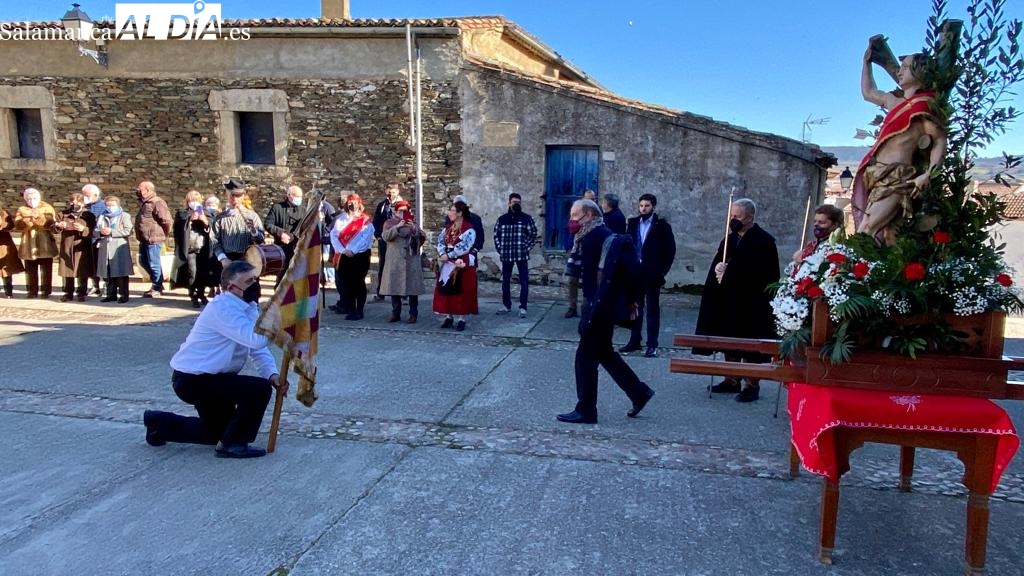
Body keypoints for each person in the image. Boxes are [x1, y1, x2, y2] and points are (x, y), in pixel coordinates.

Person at [142, 261, 288, 459]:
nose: (255, 285)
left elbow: (257, 349)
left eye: (255, 279)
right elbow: (255, 340)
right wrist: (281, 321)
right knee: (258, 390)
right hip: (193, 380)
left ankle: (158, 423)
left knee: (217, 433)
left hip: (217, 378)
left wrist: (271, 374)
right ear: (231, 287)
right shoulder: (222, 308)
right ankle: (233, 444)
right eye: (248, 282)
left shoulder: (248, 307)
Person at [556, 199, 655, 424]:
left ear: (589, 215)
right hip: (598, 304)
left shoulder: (597, 237)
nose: (571, 220)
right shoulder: (585, 237)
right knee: (604, 353)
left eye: (575, 215)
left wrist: (627, 302)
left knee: (584, 358)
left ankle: (586, 410)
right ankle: (639, 393)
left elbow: (629, 274)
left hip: (600, 307)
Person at [853, 44, 947, 245]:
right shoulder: (893, 101)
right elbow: (868, 92)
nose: (899, 71)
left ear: (920, 71)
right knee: (890, 234)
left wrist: (929, 174)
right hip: (876, 174)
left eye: (905, 67)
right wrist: (866, 64)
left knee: (867, 228)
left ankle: (849, 263)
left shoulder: (924, 105)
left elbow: (939, 140)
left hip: (897, 176)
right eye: (901, 67)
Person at [694, 198, 780, 403]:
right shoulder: (729, 240)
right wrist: (718, 269)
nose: (733, 220)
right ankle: (731, 379)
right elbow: (720, 263)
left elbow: (764, 274)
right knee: (729, 339)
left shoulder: (764, 241)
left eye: (738, 216)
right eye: (732, 216)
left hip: (752, 303)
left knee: (751, 344)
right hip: (730, 301)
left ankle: (752, 384)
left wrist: (731, 272)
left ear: (750, 217)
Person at [620, 193, 676, 358]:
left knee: (652, 310)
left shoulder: (661, 226)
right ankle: (634, 340)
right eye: (641, 206)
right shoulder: (633, 223)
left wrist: (661, 271)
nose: (643, 209)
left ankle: (652, 344)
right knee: (635, 308)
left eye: (647, 206)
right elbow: (627, 246)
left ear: (653, 207)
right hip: (635, 273)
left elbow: (670, 250)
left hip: (652, 274)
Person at [433, 200, 479, 331]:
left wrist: (449, 255)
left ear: (460, 213)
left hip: (460, 262)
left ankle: (461, 318)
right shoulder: (448, 228)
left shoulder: (469, 229)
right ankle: (449, 316)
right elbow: (440, 241)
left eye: (452, 211)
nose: (450, 213)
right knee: (446, 289)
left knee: (461, 290)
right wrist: (442, 253)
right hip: (447, 262)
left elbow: (464, 246)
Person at [380, 200, 426, 323]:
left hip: (411, 259)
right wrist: (397, 227)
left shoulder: (413, 223)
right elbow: (385, 237)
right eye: (401, 211)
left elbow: (422, 238)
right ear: (395, 211)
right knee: (394, 288)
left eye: (406, 211)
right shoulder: (389, 223)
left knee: (412, 289)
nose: (403, 213)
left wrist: (414, 230)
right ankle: (396, 313)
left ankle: (413, 314)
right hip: (395, 259)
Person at [493, 192, 538, 318]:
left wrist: (526, 247)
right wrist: (501, 249)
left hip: (521, 255)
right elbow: (496, 235)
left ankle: (523, 307)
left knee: (524, 281)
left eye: (518, 202)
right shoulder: (502, 219)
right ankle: (506, 305)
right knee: (505, 281)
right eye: (514, 202)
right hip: (506, 255)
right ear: (509, 203)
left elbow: (533, 234)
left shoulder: (526, 218)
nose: (516, 204)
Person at [331, 194, 374, 320]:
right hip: (344, 255)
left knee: (358, 283)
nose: (353, 206)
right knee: (346, 283)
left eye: (355, 203)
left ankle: (359, 310)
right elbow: (334, 236)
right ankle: (351, 309)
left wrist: (353, 250)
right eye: (350, 203)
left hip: (360, 256)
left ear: (359, 204)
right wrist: (342, 250)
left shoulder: (365, 221)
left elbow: (365, 239)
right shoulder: (341, 220)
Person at [171, 191, 214, 307]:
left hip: (203, 248)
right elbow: (178, 228)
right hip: (190, 248)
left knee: (202, 272)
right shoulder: (183, 213)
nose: (194, 202)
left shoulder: (205, 212)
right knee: (192, 272)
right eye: (191, 200)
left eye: (196, 200)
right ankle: (193, 294)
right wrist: (189, 220)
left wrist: (204, 221)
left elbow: (212, 227)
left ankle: (201, 293)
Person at [53, 192, 97, 302]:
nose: (73, 205)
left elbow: (94, 231)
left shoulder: (88, 215)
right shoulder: (63, 214)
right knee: (67, 269)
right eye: (72, 202)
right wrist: (58, 226)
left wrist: (83, 229)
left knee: (82, 270)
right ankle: (68, 292)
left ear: (82, 203)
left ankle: (81, 292)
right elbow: (53, 228)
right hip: (67, 245)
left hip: (82, 246)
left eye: (77, 203)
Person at [15, 188, 58, 299]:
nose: (31, 201)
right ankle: (32, 291)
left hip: (45, 242)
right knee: (30, 270)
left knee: (46, 269)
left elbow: (51, 222)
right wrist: (27, 221)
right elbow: (18, 225)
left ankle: (46, 291)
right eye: (28, 199)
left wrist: (39, 218)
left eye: (34, 198)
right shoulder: (22, 209)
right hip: (28, 243)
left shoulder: (47, 207)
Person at [211, 178, 265, 265]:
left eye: (238, 196)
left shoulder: (252, 216)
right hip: (226, 260)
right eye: (232, 195)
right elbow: (214, 240)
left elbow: (261, 241)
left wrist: (254, 231)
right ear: (227, 195)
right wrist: (223, 258)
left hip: (247, 261)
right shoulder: (220, 218)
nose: (235, 199)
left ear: (243, 196)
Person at [133, 181, 172, 298]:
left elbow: (167, 221)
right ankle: (157, 283)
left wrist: (162, 234)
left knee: (154, 263)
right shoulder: (145, 203)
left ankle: (157, 287)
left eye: (140, 189)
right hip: (144, 239)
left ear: (148, 190)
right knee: (143, 262)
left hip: (153, 239)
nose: (138, 191)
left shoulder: (157, 202)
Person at [563, 189, 597, 318]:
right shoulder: (577, 213)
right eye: (587, 199)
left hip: (590, 253)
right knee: (572, 280)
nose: (589, 201)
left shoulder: (597, 215)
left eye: (591, 199)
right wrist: (568, 245)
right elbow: (568, 229)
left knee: (589, 281)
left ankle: (586, 307)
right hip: (575, 251)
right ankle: (572, 307)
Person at [95, 196, 134, 303]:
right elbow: (95, 230)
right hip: (105, 247)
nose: (110, 208)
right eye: (108, 205)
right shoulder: (102, 216)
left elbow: (128, 230)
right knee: (108, 272)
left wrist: (112, 232)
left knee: (121, 272)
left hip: (119, 248)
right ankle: (111, 294)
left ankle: (123, 295)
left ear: (117, 205)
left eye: (112, 205)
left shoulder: (124, 216)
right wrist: (100, 232)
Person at [787, 204, 844, 275]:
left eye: (821, 222)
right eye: (815, 221)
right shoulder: (811, 245)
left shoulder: (838, 248)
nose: (816, 225)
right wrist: (796, 262)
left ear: (834, 225)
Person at [264, 185, 305, 285]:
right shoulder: (277, 208)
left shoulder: (303, 210)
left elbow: (304, 228)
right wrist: (280, 233)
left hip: (296, 248)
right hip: (281, 248)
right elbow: (268, 224)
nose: (299, 199)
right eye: (297, 196)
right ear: (289, 195)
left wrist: (293, 237)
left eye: (301, 197)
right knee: (282, 278)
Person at [372, 182, 403, 301]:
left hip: (397, 241)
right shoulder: (382, 205)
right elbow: (376, 221)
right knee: (383, 266)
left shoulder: (403, 205)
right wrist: (378, 236)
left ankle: (402, 294)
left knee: (399, 266)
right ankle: (381, 293)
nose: (391, 194)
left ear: (397, 192)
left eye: (393, 192)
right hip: (384, 240)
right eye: (389, 192)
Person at [82, 184, 106, 296]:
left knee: (100, 264)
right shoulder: (84, 206)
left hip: (97, 239)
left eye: (87, 195)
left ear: (96, 195)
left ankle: (104, 285)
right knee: (89, 265)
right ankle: (94, 285)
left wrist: (101, 239)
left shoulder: (103, 206)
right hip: (85, 239)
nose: (85, 198)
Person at [0, 205, 25, 298]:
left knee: (6, 269)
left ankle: (8, 291)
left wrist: (2, 224)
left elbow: (10, 225)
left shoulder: (3, 213)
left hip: (3, 244)